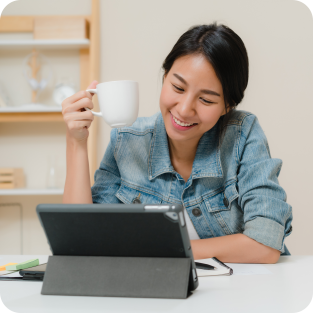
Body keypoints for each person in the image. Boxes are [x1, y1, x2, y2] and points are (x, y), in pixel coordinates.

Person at [62, 23, 292, 263]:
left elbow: (265, 245)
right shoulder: (127, 140)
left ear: (228, 106)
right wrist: (76, 142)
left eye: (205, 99)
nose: (184, 109)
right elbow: (81, 242)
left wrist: (162, 250)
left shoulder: (242, 135)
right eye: (177, 87)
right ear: (164, 77)